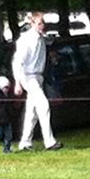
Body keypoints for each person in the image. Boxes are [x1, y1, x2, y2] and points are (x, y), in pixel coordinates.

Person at [11, 12, 62, 152]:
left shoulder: (41, 38)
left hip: (38, 77)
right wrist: (18, 83)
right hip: (28, 76)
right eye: (39, 23)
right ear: (32, 23)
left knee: (32, 112)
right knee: (43, 105)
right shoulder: (27, 39)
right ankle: (49, 141)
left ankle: (25, 143)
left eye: (43, 23)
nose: (42, 26)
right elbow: (18, 62)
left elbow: (49, 41)